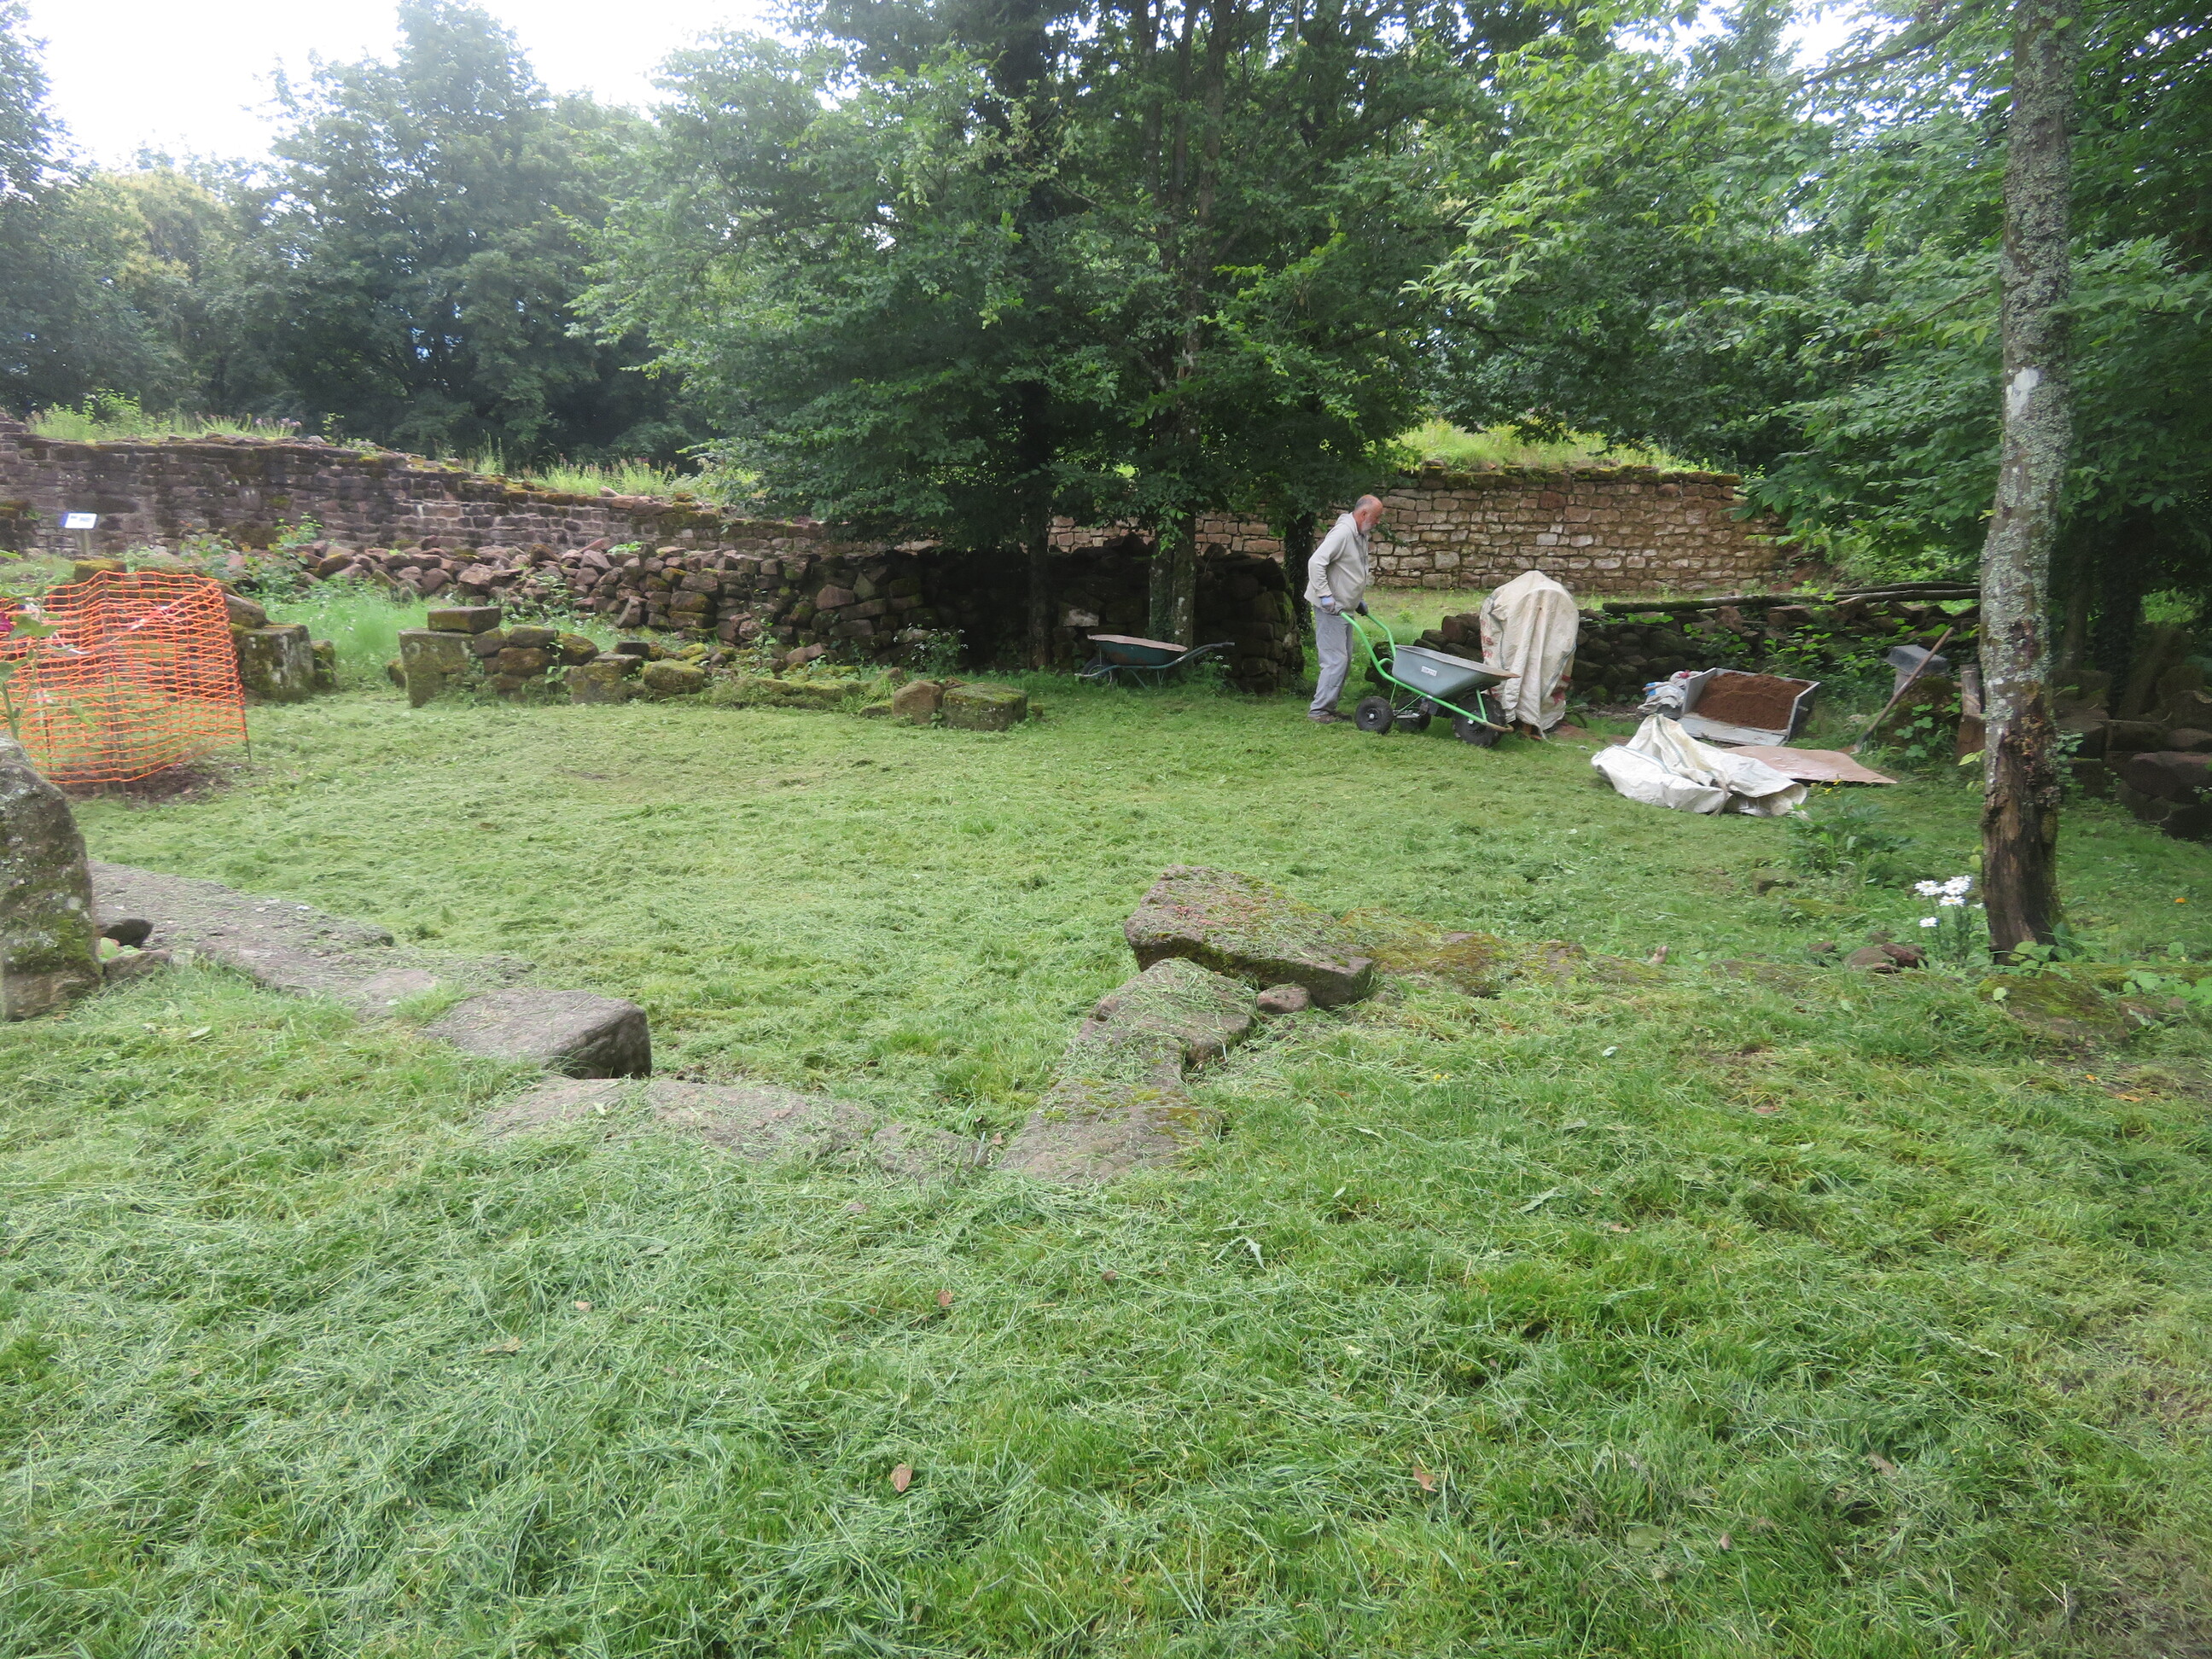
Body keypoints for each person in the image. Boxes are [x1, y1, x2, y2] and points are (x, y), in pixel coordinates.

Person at [1303, 494, 1386, 723]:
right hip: (1331, 608)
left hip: (1345, 607)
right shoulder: (1343, 533)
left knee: (1345, 660)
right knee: (1335, 660)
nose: (1378, 521)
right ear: (1363, 514)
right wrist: (1325, 595)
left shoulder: (1360, 534)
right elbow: (1316, 562)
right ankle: (1319, 711)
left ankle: (1329, 708)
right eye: (1376, 517)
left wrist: (1356, 600)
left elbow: (1348, 569)